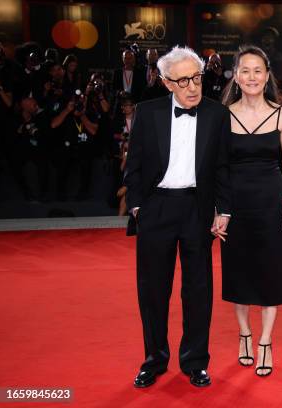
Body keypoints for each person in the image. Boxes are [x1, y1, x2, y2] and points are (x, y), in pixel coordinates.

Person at [124, 45, 232, 389]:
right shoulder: (147, 111)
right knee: (153, 290)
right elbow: (134, 166)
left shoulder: (217, 114)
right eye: (183, 80)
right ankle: (154, 360)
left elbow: (222, 168)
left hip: (196, 209)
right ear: (167, 82)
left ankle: (195, 362)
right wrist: (139, 207)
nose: (192, 86)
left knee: (198, 290)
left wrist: (223, 209)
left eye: (196, 78)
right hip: (156, 208)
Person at [220, 45, 282, 377]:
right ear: (236, 76)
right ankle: (244, 334)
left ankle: (266, 341)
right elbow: (219, 168)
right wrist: (219, 209)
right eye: (245, 70)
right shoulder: (222, 114)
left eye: (258, 71)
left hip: (271, 203)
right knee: (237, 271)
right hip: (235, 204)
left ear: (267, 76)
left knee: (271, 271)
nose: (252, 77)